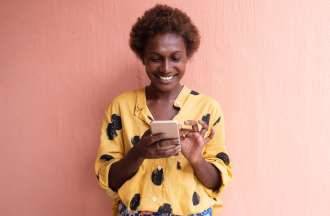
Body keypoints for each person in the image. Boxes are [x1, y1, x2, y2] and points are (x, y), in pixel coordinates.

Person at [94, 4, 232, 216]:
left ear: (188, 57)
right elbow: (109, 180)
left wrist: (197, 159)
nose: (166, 68)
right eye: (156, 58)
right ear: (143, 58)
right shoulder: (121, 107)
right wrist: (139, 152)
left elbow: (215, 183)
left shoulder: (207, 109)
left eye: (175, 58)